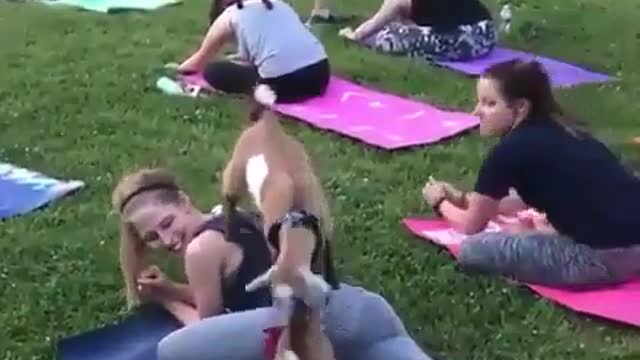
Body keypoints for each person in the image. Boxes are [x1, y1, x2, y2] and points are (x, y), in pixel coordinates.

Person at [112, 167, 434, 359]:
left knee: (174, 351)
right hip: (358, 309)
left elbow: (208, 333)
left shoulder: (200, 250)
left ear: (183, 201)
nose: (166, 240)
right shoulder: (232, 216)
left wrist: (167, 300)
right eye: (153, 238)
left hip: (312, 326)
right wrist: (170, 287)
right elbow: (236, 287)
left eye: (166, 224)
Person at [422, 59, 640, 289]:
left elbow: (470, 227)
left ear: (521, 107)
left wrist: (440, 202)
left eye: (489, 103)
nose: (477, 111)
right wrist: (465, 199)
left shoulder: (508, 152)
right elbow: (524, 200)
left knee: (473, 249)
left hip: (600, 260)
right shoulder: (567, 130)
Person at [181, 0, 330, 104]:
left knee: (213, 70)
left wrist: (179, 69)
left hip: (285, 85)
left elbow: (198, 62)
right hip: (321, 74)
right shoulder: (278, 4)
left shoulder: (229, 15)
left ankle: (259, 88)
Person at [338, 0, 496, 62]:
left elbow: (391, 11)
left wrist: (356, 35)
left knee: (387, 37)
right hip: (487, 35)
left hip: (465, 42)